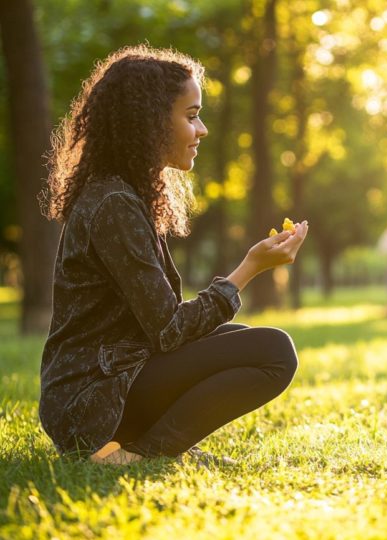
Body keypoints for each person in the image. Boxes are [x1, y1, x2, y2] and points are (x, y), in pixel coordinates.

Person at [39, 45, 308, 465]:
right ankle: (146, 454)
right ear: (148, 122)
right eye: (191, 115)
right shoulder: (114, 204)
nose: (201, 129)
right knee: (274, 351)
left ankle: (160, 446)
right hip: (90, 400)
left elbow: (161, 328)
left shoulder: (123, 197)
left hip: (109, 380)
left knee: (240, 340)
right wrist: (250, 268)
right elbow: (168, 331)